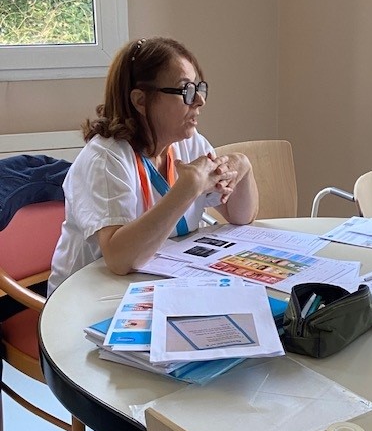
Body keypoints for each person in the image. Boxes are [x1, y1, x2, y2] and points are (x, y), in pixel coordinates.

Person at [48, 36, 258, 294]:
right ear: (140, 100)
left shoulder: (190, 143)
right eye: (185, 90)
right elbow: (119, 259)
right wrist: (188, 188)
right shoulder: (106, 159)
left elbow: (241, 216)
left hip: (153, 284)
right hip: (86, 297)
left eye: (198, 88)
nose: (199, 101)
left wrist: (243, 168)